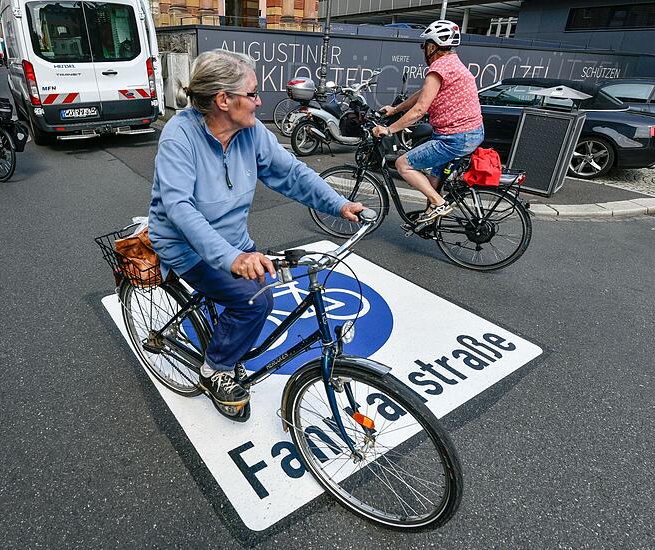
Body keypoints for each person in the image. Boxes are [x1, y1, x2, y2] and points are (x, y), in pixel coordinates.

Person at [148, 49, 364, 410]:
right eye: (252, 94)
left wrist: (339, 204)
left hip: (232, 241)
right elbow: (180, 210)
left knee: (256, 287)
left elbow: (291, 173)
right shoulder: (179, 137)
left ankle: (224, 329)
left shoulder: (250, 132)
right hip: (185, 246)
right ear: (223, 100)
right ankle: (214, 368)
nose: (259, 101)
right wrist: (232, 258)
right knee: (254, 301)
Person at [372, 20, 484, 223]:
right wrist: (395, 110)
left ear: (432, 46)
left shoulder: (439, 67)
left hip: (455, 138)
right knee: (434, 178)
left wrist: (389, 129)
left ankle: (438, 204)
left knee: (403, 164)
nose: (424, 50)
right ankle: (430, 216)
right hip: (470, 132)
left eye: (424, 46)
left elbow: (419, 110)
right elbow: (422, 94)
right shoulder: (453, 63)